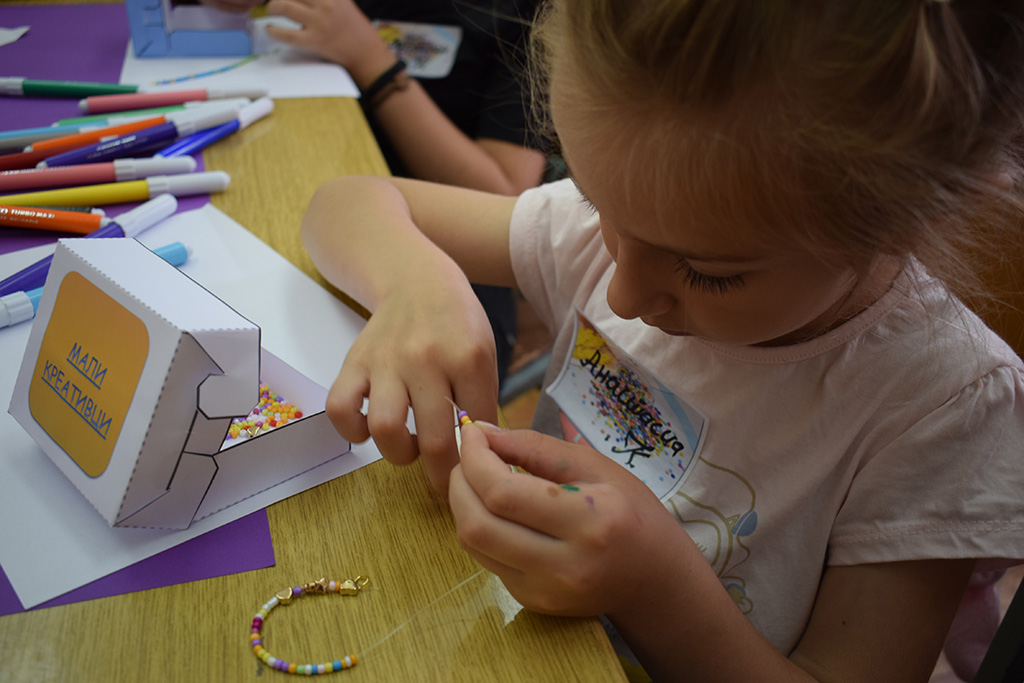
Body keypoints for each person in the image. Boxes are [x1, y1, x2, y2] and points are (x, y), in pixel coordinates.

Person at [300, 1, 1024, 681]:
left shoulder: (946, 406)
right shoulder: (637, 214)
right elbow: (343, 203)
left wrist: (653, 584)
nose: (621, 295)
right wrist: (419, 286)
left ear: (905, 223)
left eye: (708, 273)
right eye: (594, 200)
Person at [201, 0, 547, 383]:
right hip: (319, 191)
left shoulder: (524, 18)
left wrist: (370, 59)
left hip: (450, 260)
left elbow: (504, 195)